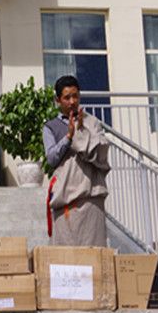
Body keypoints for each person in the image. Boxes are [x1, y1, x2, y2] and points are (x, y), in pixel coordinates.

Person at [42, 75, 110, 247]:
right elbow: (51, 159)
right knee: (66, 255)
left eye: (75, 96)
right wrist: (69, 137)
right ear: (58, 100)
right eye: (67, 97)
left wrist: (83, 132)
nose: (72, 102)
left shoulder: (92, 122)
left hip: (91, 197)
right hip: (66, 198)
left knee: (94, 251)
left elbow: (101, 153)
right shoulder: (50, 127)